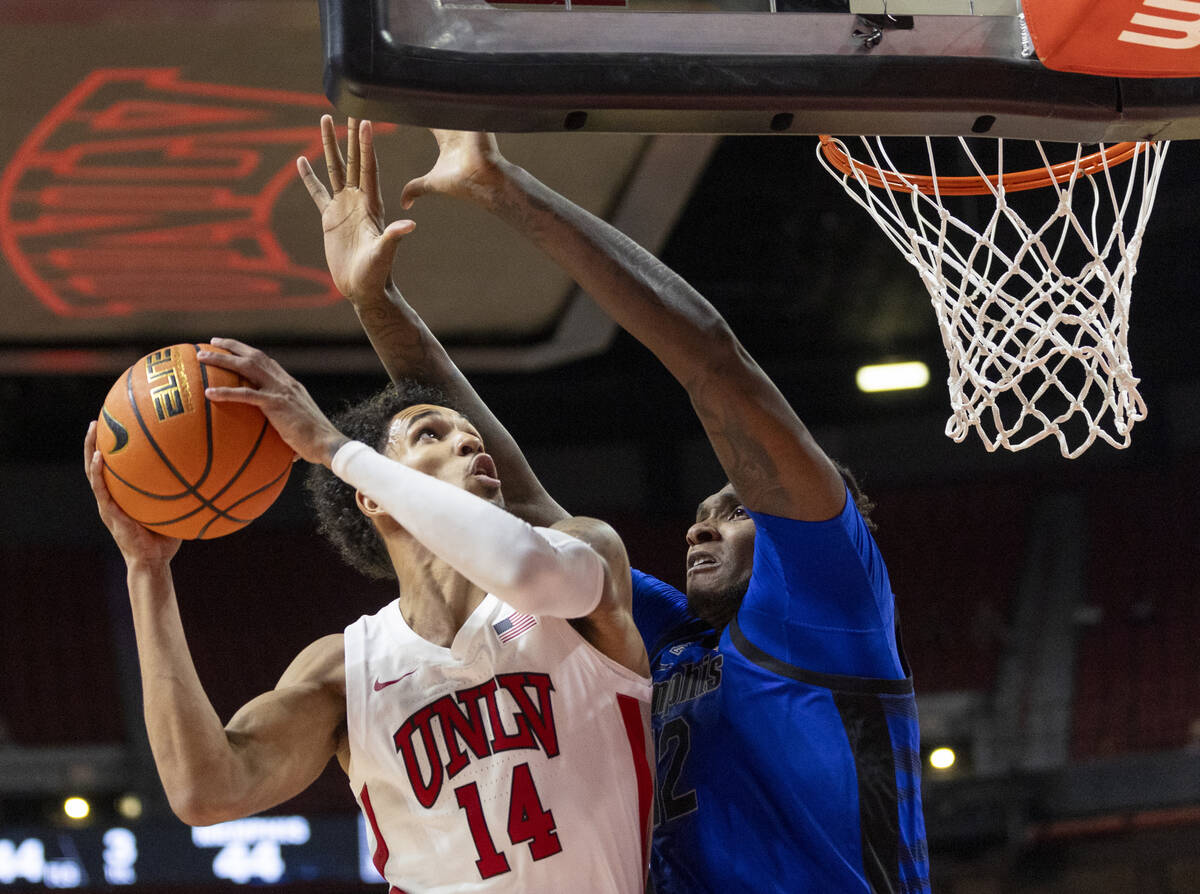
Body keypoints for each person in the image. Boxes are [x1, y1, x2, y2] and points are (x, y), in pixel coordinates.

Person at [304, 116, 931, 893]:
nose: (703, 520)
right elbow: (519, 501)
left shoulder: (828, 604)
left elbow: (712, 360)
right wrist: (376, 299)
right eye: (706, 508)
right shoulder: (673, 640)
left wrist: (507, 191)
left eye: (737, 510)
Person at [83, 340, 652, 892]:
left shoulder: (583, 559)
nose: (467, 444)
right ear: (372, 495)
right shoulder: (347, 668)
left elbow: (525, 569)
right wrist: (148, 571)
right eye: (432, 433)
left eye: (471, 437)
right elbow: (205, 791)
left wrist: (336, 450)